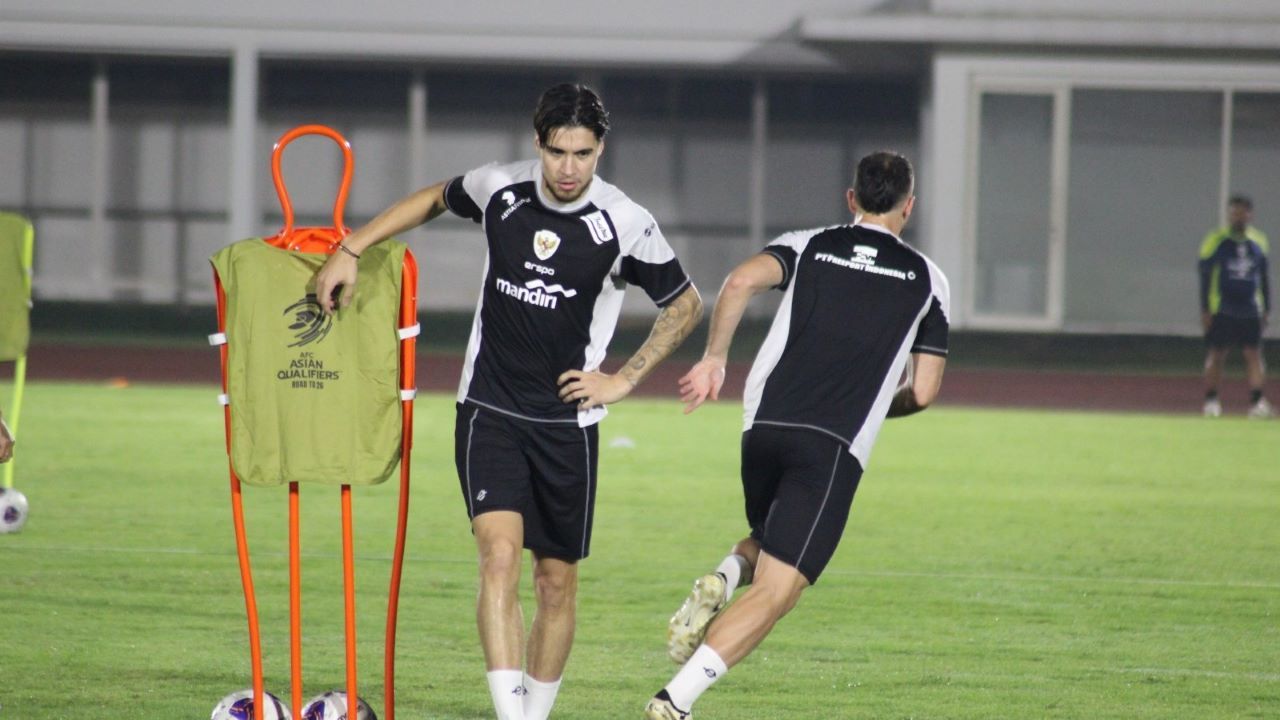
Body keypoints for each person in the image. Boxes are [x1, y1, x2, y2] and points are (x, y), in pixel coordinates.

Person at [314, 83, 702, 720]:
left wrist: (622, 380)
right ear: (537, 144)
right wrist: (352, 247)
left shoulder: (625, 222)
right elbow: (434, 198)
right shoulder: (502, 189)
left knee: (555, 582)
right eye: (557, 152)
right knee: (498, 559)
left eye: (582, 153)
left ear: (600, 148)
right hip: (488, 410)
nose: (569, 168)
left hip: (567, 426)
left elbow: (684, 305)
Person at [643, 151, 949, 719]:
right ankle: (674, 703)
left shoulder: (809, 243)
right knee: (780, 590)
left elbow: (738, 282)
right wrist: (880, 404)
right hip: (830, 445)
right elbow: (924, 389)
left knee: (772, 541)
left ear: (851, 199)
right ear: (909, 206)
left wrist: (714, 359)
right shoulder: (928, 279)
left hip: (762, 428)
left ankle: (728, 572)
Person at [1199, 195, 1271, 419]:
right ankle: (1211, 401)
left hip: (1250, 308)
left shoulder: (1259, 241)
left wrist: (1267, 307)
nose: (1238, 216)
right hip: (1223, 308)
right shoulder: (1216, 240)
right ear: (1229, 214)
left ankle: (1257, 402)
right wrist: (1205, 309)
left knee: (1253, 354)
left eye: (1242, 212)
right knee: (1217, 354)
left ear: (1250, 215)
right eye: (1234, 212)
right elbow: (1205, 275)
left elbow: (1264, 277)